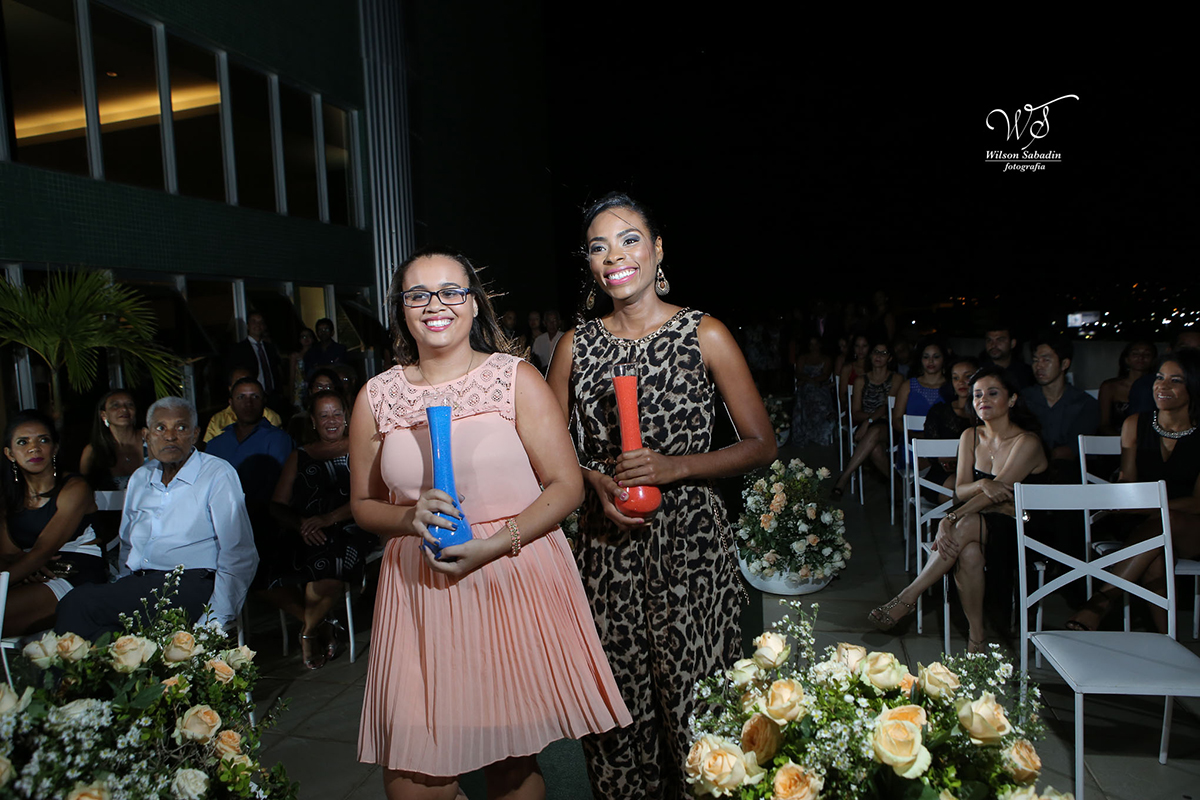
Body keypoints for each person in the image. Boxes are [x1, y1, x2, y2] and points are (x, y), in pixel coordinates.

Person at [352, 246, 630, 800]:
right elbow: (364, 505)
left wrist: (494, 545)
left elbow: (567, 485)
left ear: (474, 305)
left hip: (509, 576)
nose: (437, 305)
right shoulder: (376, 396)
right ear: (403, 309)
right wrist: (409, 518)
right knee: (412, 782)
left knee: (508, 765)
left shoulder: (514, 379)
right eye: (419, 294)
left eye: (452, 291)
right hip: (419, 592)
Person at [547, 193, 776, 799]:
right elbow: (544, 452)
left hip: (691, 550)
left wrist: (673, 467)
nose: (613, 256)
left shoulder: (705, 333)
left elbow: (760, 444)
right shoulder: (574, 346)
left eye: (628, 240)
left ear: (657, 250)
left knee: (699, 712)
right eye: (598, 247)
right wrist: (591, 479)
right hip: (605, 553)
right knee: (617, 715)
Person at [868, 366, 1048, 652]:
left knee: (962, 527)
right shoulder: (970, 437)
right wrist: (983, 486)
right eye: (977, 395)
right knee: (969, 551)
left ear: (1012, 399)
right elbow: (962, 489)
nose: (982, 400)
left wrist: (950, 518)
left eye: (992, 393)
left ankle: (908, 596)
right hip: (983, 519)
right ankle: (977, 636)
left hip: (1024, 526)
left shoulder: (1026, 442)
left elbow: (995, 493)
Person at [55, 397, 258, 639]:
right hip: (143, 586)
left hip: (190, 583)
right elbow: (128, 542)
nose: (170, 436)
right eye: (160, 428)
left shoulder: (216, 473)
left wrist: (215, 618)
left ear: (195, 434)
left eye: (180, 428)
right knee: (103, 634)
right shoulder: (141, 478)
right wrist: (124, 584)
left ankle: (62, 678)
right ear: (146, 435)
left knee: (78, 602)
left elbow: (239, 552)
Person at [1067, 349, 1200, 633]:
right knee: (1155, 555)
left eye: (1175, 380)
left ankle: (1100, 602)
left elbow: (1198, 502)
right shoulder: (1135, 424)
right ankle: (1168, 641)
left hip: (1190, 526)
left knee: (1168, 521)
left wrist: (1153, 508)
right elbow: (1129, 484)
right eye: (1159, 377)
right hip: (1142, 522)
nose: (1162, 386)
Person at [267, 390, 377, 669]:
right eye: (324, 415)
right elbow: (277, 505)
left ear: (346, 417)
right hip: (305, 528)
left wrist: (329, 518)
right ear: (313, 421)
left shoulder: (361, 447)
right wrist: (300, 524)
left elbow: (374, 495)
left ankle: (307, 633)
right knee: (261, 575)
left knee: (329, 566)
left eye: (337, 413)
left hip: (352, 526)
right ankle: (321, 621)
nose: (332, 420)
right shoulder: (299, 456)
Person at [1, 410, 106, 635]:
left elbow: (42, 551)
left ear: (55, 448)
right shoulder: (9, 497)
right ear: (10, 453)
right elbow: (8, 553)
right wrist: (26, 567)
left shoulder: (75, 488)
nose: (34, 448)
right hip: (29, 574)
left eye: (43, 440)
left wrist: (20, 568)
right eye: (23, 442)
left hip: (74, 575)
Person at [830, 340, 902, 499]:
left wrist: (867, 422)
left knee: (875, 429)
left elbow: (887, 408)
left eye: (884, 353)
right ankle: (898, 484)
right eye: (876, 352)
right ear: (871, 356)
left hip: (888, 425)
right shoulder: (860, 380)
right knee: (876, 451)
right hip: (866, 424)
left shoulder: (896, 378)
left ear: (889, 358)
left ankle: (844, 477)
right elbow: (855, 412)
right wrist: (867, 421)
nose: (879, 356)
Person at [1022, 334, 1099, 480]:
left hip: (1069, 473)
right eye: (1035, 360)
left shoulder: (1084, 403)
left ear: (1064, 364)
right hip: (1028, 471)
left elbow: (1073, 450)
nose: (1039, 366)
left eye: (1046, 360)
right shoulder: (1024, 399)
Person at [922, 357, 980, 494]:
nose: (961, 382)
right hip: (943, 476)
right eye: (955, 378)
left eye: (968, 376)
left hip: (980, 474)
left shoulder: (985, 413)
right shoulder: (939, 412)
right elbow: (932, 454)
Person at [80, 390, 144, 490]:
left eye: (129, 404)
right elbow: (84, 490)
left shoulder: (150, 440)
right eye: (115, 405)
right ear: (103, 415)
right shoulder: (93, 451)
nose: (123, 409)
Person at [204, 367, 284, 443]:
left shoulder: (270, 416)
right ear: (230, 389)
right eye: (241, 396)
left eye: (254, 396)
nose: (248, 402)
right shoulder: (218, 419)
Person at [227, 311, 285, 413]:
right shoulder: (239, 349)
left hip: (272, 396)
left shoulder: (270, 348)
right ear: (248, 326)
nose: (258, 325)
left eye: (260, 322)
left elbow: (275, 371)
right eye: (254, 322)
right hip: (252, 397)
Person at [1098, 339, 1156, 436]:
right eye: (1135, 354)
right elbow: (1103, 424)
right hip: (1115, 439)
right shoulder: (1110, 387)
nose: (1141, 358)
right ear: (1126, 359)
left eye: (1147, 355)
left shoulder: (1158, 387)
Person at [790, 334, 834, 447]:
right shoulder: (803, 358)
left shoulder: (826, 359)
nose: (814, 347)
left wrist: (810, 381)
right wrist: (809, 380)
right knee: (806, 396)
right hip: (806, 386)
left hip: (820, 387)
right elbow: (798, 373)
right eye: (811, 344)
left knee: (819, 400)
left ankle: (822, 433)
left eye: (816, 344)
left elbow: (825, 375)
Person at [979, 324, 1035, 391]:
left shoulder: (1026, 373)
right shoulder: (978, 370)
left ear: (1012, 344)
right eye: (989, 340)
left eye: (1000, 340)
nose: (993, 345)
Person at [288, 327, 317, 409]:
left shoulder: (317, 354)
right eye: (303, 336)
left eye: (309, 336)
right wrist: (291, 395)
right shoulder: (295, 356)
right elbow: (292, 376)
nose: (306, 339)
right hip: (299, 389)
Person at [531, 309, 563, 375]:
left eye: (554, 321)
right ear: (544, 323)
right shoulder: (539, 340)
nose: (552, 324)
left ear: (559, 322)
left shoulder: (564, 338)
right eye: (549, 321)